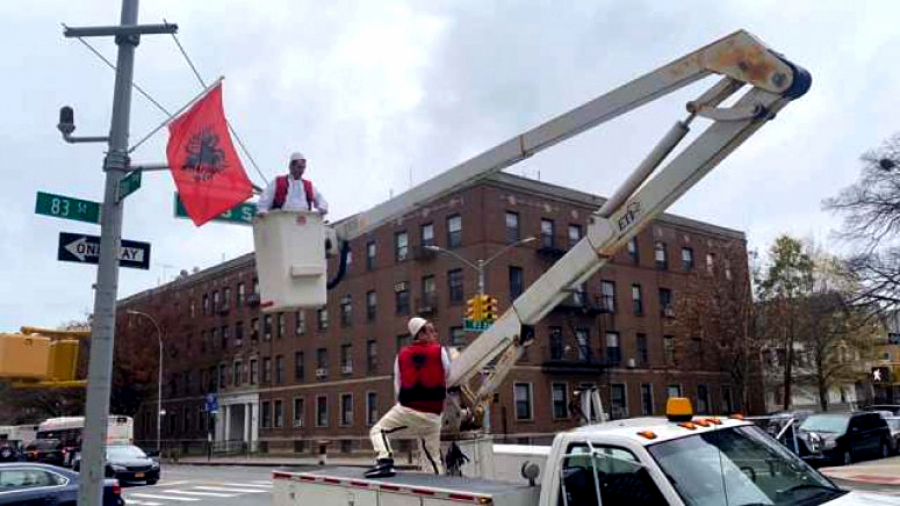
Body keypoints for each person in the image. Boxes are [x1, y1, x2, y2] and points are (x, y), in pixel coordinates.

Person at [365, 317, 451, 478]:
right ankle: (438, 483)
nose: (435, 334)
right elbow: (447, 374)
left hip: (408, 410)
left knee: (378, 431)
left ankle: (385, 461)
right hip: (433, 415)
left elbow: (398, 385)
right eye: (431, 330)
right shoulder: (440, 352)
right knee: (433, 457)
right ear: (421, 334)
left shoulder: (401, 355)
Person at [256, 152, 328, 214]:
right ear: (291, 166)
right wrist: (262, 209)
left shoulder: (308, 186)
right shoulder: (279, 182)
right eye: (299, 167)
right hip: (282, 219)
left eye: (303, 168)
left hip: (303, 220)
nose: (301, 170)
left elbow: (319, 198)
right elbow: (266, 197)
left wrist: (322, 207)